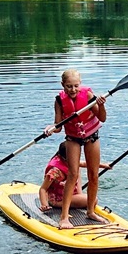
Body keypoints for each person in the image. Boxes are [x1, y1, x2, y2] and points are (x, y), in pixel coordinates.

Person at [44, 68, 107, 228]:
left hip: (91, 136)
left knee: (93, 175)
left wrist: (101, 105)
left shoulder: (87, 95)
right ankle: (64, 217)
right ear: (63, 85)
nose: (73, 90)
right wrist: (51, 128)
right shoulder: (59, 100)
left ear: (80, 84)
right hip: (73, 137)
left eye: (76, 86)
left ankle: (91, 211)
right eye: (69, 86)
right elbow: (58, 126)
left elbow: (102, 118)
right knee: (72, 174)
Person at [38, 142, 109, 212]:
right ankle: (73, 201)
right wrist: (44, 205)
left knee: (77, 168)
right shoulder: (55, 171)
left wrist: (103, 165)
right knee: (94, 200)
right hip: (58, 200)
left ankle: (79, 196)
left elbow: (84, 164)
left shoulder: (67, 160)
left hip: (67, 193)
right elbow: (43, 189)